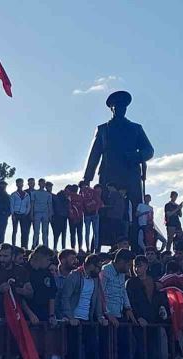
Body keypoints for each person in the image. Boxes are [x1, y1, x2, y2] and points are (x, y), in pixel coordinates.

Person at [83, 90, 155, 237]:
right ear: (112, 109)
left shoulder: (136, 128)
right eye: (117, 107)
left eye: (123, 107)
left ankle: (136, 241)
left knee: (135, 210)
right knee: (106, 210)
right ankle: (106, 242)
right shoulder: (103, 129)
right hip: (109, 175)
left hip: (131, 175)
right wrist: (87, 178)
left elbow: (149, 150)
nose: (120, 110)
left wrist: (136, 156)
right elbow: (94, 155)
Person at [0, 243, 32, 358]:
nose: (2, 259)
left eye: (6, 256)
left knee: (13, 355)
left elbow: (30, 293)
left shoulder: (21, 271)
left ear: (12, 256)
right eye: (0, 255)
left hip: (16, 320)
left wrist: (22, 291)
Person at [61, 254, 107, 359]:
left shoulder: (95, 279)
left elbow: (97, 299)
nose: (99, 270)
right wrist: (70, 317)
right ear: (90, 266)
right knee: (73, 352)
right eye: (98, 267)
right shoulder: (74, 276)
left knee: (92, 350)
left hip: (87, 320)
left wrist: (100, 316)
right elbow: (65, 297)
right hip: (73, 320)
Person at [22, 246, 62, 359]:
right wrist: (30, 314)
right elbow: (20, 297)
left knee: (45, 350)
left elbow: (52, 296)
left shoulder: (47, 273)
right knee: (27, 351)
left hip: (44, 315)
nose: (50, 262)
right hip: (27, 315)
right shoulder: (23, 270)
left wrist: (52, 315)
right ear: (40, 257)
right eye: (48, 259)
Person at [126, 255, 169, 359]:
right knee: (140, 351)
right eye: (135, 266)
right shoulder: (131, 282)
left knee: (153, 351)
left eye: (139, 266)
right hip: (138, 323)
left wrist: (162, 308)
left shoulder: (153, 281)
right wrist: (137, 317)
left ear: (146, 266)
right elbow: (129, 302)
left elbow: (157, 298)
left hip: (153, 321)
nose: (136, 269)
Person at [100, 249, 138, 359]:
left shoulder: (121, 274)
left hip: (119, 314)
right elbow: (100, 293)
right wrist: (108, 314)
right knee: (107, 349)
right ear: (121, 261)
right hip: (107, 317)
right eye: (128, 264)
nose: (129, 267)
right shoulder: (105, 270)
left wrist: (128, 308)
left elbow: (123, 291)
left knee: (128, 345)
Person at [80, 181, 102, 252]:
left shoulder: (92, 191)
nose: (83, 188)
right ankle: (88, 249)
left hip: (93, 214)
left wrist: (96, 210)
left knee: (95, 232)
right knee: (88, 232)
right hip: (87, 215)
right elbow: (81, 204)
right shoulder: (81, 193)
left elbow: (98, 201)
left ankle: (96, 248)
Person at [30, 178, 53, 249]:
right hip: (37, 213)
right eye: (41, 183)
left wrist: (50, 214)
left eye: (43, 183)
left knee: (45, 231)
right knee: (36, 231)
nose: (42, 184)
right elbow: (32, 204)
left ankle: (45, 246)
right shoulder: (34, 193)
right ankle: (34, 246)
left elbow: (50, 205)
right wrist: (31, 213)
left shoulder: (48, 194)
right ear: (39, 184)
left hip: (45, 213)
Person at [10, 178, 32, 249]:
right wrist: (12, 214)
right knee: (14, 230)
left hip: (23, 214)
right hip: (15, 214)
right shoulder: (13, 194)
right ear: (16, 184)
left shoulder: (26, 195)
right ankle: (13, 245)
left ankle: (24, 247)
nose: (20, 184)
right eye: (18, 183)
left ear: (23, 184)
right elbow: (11, 205)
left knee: (24, 231)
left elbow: (28, 205)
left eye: (21, 183)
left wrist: (26, 213)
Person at [50, 182, 69, 250]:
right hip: (58, 217)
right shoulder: (58, 197)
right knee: (57, 233)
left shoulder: (67, 198)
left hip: (63, 217)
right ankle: (56, 247)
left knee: (62, 233)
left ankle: (62, 248)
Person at [67, 185, 84, 251]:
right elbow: (70, 207)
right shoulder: (73, 197)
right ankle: (78, 248)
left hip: (75, 217)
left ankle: (74, 248)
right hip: (77, 217)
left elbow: (70, 208)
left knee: (74, 233)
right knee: (78, 233)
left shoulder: (71, 197)